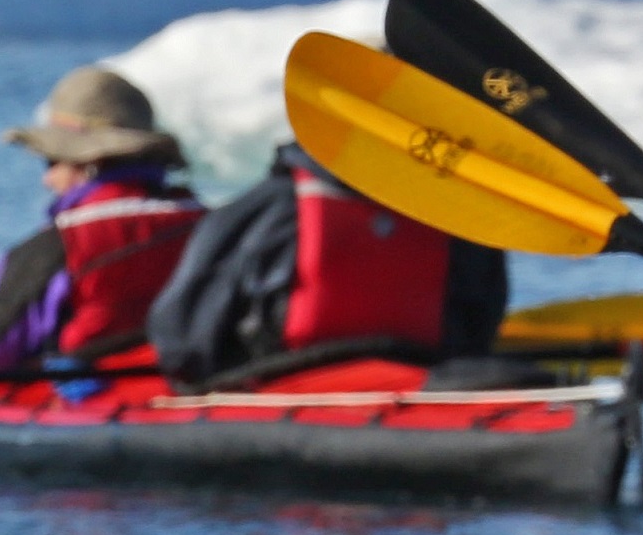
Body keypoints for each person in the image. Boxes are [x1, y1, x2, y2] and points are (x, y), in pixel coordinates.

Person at [141, 133, 510, 391]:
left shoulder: (269, 206)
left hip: (283, 377)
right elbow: (481, 325)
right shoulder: (455, 212)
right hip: (426, 373)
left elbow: (181, 341)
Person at [0, 67, 210, 374]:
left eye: (53, 161)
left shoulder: (59, 245)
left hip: (87, 393)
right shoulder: (209, 224)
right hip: (188, 378)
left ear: (90, 163)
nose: (47, 179)